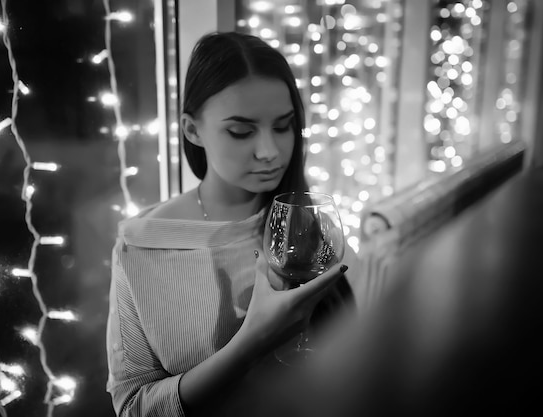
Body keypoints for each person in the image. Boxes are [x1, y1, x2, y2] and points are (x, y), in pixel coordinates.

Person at [106, 31, 356, 417]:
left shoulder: (304, 222)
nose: (270, 152)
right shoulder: (143, 245)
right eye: (241, 131)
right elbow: (134, 407)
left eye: (284, 126)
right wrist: (250, 342)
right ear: (192, 130)